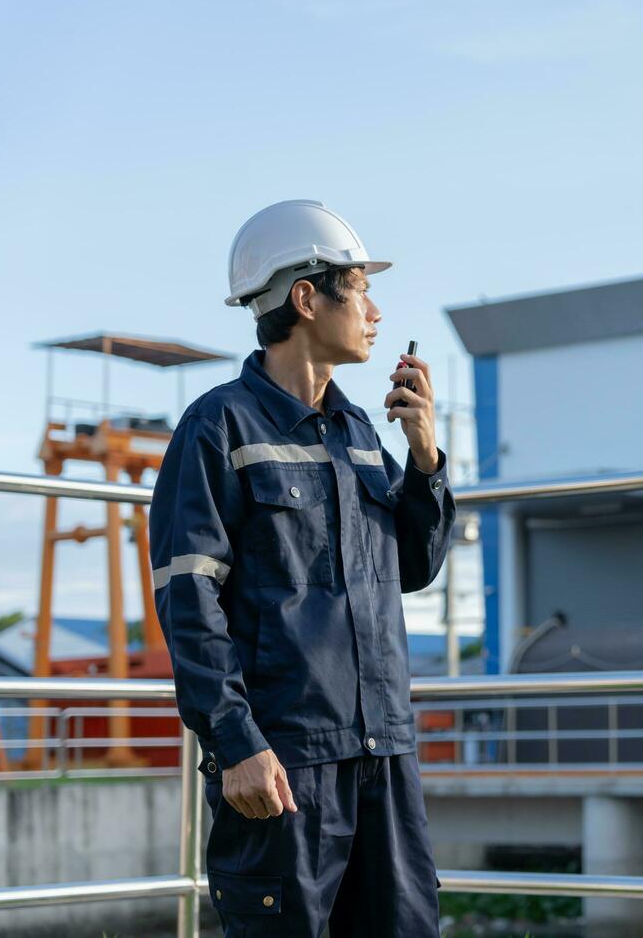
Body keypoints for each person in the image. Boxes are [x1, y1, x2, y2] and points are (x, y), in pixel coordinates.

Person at [149, 200, 456, 936]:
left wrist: (424, 461)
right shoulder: (217, 427)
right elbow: (188, 600)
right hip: (284, 766)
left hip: (383, 752)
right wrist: (236, 744)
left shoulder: (357, 432)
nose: (376, 311)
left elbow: (412, 568)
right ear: (306, 297)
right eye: (359, 287)